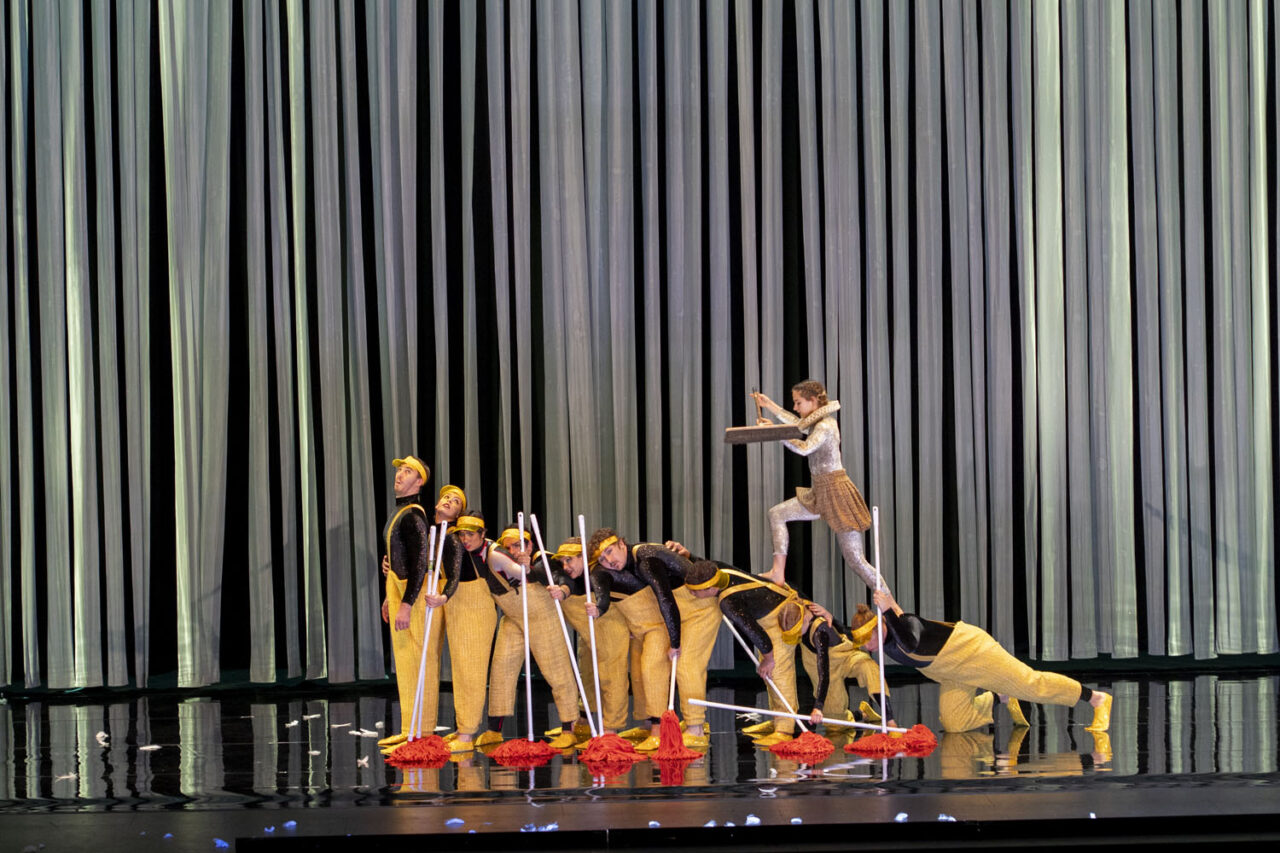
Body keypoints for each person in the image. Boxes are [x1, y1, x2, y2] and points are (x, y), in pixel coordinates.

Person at [862, 588, 1112, 733]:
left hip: (971, 651)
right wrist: (829, 617)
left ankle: (1096, 699)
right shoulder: (888, 628)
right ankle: (997, 696)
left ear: (878, 628)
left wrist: (886, 609)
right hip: (951, 673)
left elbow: (908, 643)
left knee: (1030, 683)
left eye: (866, 639)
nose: (865, 646)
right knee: (954, 724)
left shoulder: (906, 625)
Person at [463, 519, 581, 750]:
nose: (515, 551)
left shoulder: (541, 558)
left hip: (541, 615)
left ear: (530, 545)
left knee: (557, 670)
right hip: (513, 616)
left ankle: (569, 728)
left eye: (519, 545)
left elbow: (562, 579)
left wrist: (563, 590)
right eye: (509, 547)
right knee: (501, 669)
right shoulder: (492, 557)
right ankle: (493, 730)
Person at [752, 380, 877, 590]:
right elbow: (797, 423)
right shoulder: (816, 422)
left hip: (837, 494)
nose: (795, 407)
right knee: (777, 513)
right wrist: (769, 405)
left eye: (798, 403)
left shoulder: (826, 425)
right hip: (820, 492)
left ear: (812, 401)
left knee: (856, 560)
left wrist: (776, 432)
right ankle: (777, 572)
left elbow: (804, 448)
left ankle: (892, 606)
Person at [683, 559, 805, 748]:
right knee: (770, 675)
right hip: (770, 614)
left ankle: (784, 729)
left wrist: (769, 658)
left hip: (782, 617)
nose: (691, 593)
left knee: (778, 673)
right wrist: (688, 554)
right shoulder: (720, 571)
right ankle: (777, 720)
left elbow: (753, 631)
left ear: (709, 587)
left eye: (695, 590)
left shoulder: (727, 601)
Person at [586, 528, 686, 752]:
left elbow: (666, 596)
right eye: (603, 558)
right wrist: (598, 609)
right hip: (641, 631)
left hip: (661, 626)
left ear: (622, 543)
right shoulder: (605, 573)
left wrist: (674, 640)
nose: (609, 560)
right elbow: (603, 598)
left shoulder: (645, 558)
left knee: (652, 671)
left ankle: (660, 730)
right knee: (640, 677)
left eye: (611, 551)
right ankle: (648, 724)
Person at [378, 455, 442, 750]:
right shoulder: (398, 512)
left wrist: (405, 604)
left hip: (413, 599)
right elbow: (400, 558)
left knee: (420, 663)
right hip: (399, 591)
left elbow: (420, 565)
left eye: (407, 472)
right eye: (399, 471)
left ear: (419, 482)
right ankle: (409, 729)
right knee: (405, 664)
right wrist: (388, 594)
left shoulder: (414, 516)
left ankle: (423, 732)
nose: (399, 476)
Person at [542, 537, 631, 736]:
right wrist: (563, 591)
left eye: (570, 560)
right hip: (588, 632)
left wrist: (598, 607)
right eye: (563, 561)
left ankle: (611, 729)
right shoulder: (568, 575)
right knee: (588, 675)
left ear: (583, 558)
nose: (565, 566)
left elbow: (604, 597)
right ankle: (584, 720)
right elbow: (567, 583)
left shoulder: (598, 573)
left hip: (610, 629)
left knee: (612, 678)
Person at [799, 601, 896, 730]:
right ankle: (863, 713)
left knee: (869, 667)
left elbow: (845, 632)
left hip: (845, 656)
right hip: (824, 668)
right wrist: (819, 707)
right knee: (836, 725)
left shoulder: (820, 631)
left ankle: (890, 720)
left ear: (804, 619)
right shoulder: (793, 616)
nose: (867, 647)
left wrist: (818, 706)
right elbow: (824, 672)